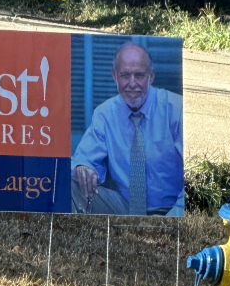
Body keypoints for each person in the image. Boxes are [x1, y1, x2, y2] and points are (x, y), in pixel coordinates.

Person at [72, 39, 184, 215]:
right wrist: (83, 168)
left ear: (151, 76)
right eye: (125, 75)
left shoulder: (176, 109)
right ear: (114, 76)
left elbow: (194, 177)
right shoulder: (104, 113)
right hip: (124, 207)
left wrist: (172, 218)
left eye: (139, 75)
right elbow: (83, 159)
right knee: (71, 185)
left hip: (171, 208)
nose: (132, 83)